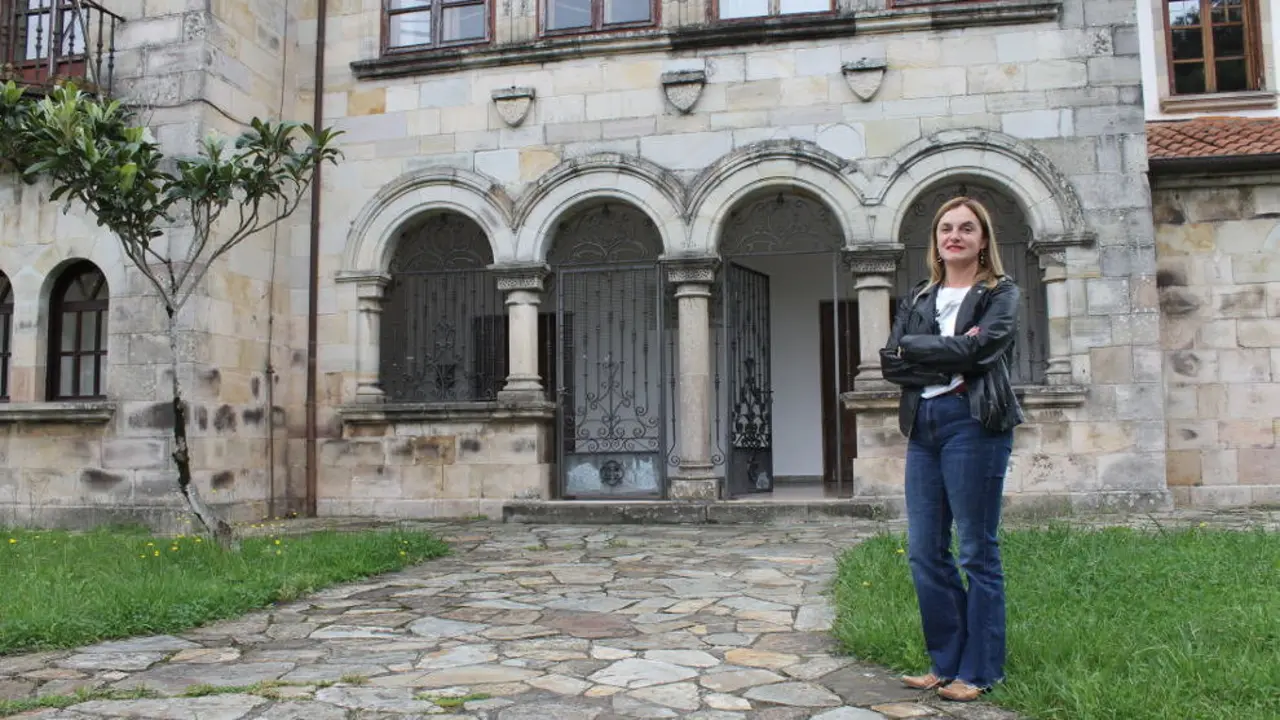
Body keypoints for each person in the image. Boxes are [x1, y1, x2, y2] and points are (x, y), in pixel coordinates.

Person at [879, 195, 1025, 702]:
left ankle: (980, 671)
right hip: (924, 425)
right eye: (946, 228)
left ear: (983, 240)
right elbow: (891, 362)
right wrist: (953, 352)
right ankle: (945, 663)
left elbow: (983, 351)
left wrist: (920, 349)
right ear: (936, 240)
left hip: (974, 423)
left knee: (976, 552)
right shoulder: (920, 296)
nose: (954, 236)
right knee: (924, 551)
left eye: (966, 228)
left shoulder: (1001, 293)